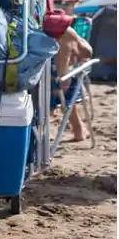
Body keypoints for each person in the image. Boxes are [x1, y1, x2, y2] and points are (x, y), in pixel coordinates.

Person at [44, 10, 93, 142]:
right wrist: (77, 46)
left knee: (45, 108)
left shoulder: (40, 33)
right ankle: (79, 131)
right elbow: (87, 53)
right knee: (70, 105)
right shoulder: (69, 33)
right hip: (65, 82)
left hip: (44, 85)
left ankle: (42, 132)